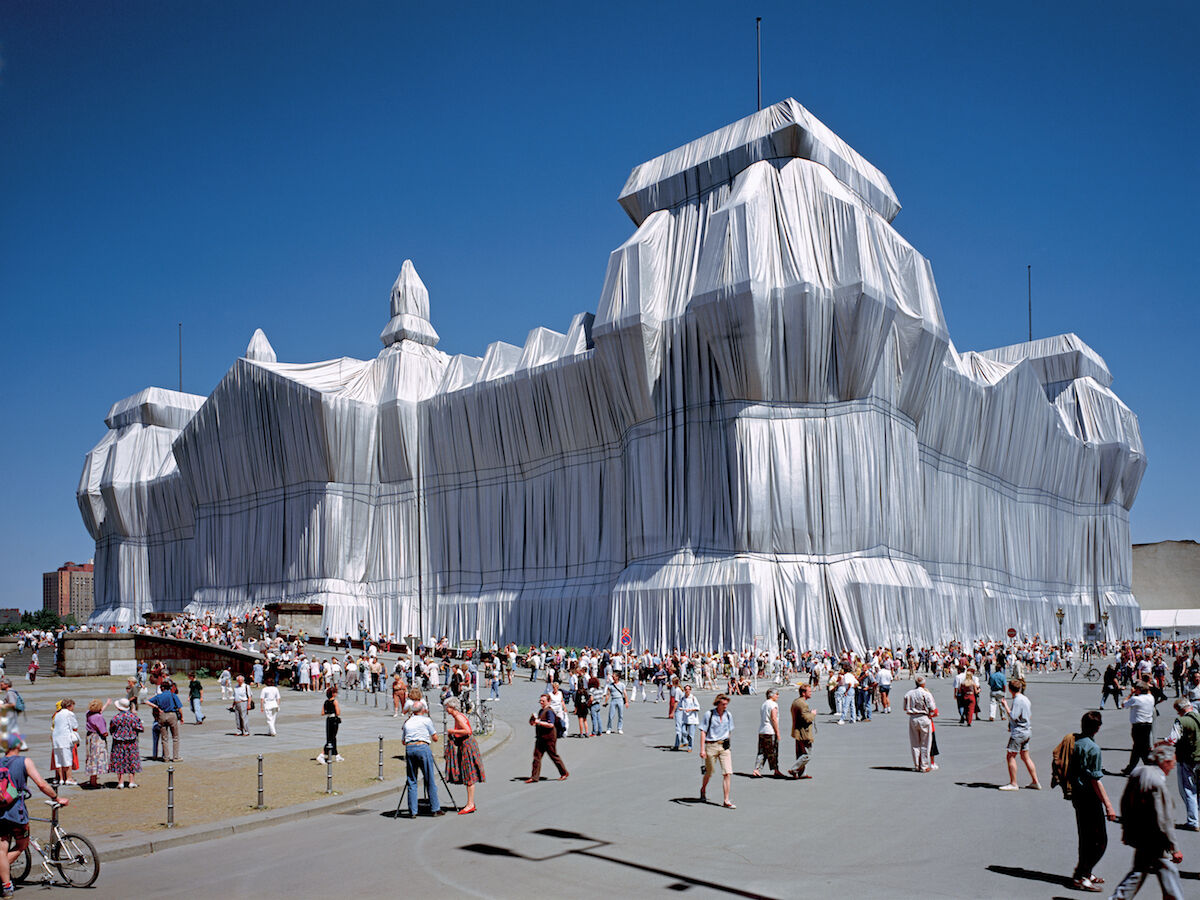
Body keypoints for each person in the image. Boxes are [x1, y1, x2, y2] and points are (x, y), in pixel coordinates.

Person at [1109, 742, 1185, 899]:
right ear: (1165, 761)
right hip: (1156, 840)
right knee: (1167, 871)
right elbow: (1164, 819)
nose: (1172, 767)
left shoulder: (1138, 772)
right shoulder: (1158, 783)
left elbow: (1125, 803)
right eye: (1172, 763)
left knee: (1139, 871)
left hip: (1141, 836)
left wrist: (1126, 830)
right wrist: (1174, 847)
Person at [0, 729, 67, 899]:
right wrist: (56, 797)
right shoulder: (24, 761)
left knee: (2, 847)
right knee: (22, 844)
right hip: (17, 811)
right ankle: (3, 872)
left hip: (0, 811)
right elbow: (42, 784)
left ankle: (7, 886)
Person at [1070, 710, 1118, 892]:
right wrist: (1109, 805)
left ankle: (1085, 872)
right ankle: (1081, 875)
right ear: (1097, 728)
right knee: (1100, 840)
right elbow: (1095, 780)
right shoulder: (1093, 748)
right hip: (1090, 797)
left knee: (1085, 837)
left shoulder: (1076, 742)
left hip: (1077, 795)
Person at [401, 700, 443, 817]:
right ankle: (435, 808)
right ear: (423, 710)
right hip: (422, 747)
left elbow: (403, 741)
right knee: (429, 778)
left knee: (411, 780)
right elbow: (435, 738)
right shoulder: (426, 720)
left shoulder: (407, 722)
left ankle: (413, 811)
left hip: (410, 748)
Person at [443, 697, 483, 815]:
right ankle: (470, 803)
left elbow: (468, 731)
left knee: (469, 774)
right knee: (468, 773)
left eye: (447, 707)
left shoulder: (459, 717)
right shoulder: (458, 716)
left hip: (467, 746)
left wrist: (453, 731)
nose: (446, 709)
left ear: (452, 707)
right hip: (465, 745)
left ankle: (470, 804)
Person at [999, 677, 1040, 790]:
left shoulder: (1017, 700)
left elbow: (1013, 716)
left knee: (1010, 756)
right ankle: (1035, 781)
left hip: (1019, 732)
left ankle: (1013, 783)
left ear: (1010, 689)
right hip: (1027, 730)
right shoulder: (1025, 699)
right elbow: (1028, 715)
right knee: (1025, 756)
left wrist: (1005, 705)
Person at [1166, 698, 1200, 831]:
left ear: (1180, 709)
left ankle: (1193, 821)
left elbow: (1172, 739)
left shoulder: (1181, 721)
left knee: (1189, 790)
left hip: (1188, 759)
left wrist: (1161, 744)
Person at [699, 693, 735, 808]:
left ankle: (726, 800)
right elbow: (703, 731)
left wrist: (728, 742)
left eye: (726, 704)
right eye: (723, 704)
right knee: (709, 772)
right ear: (718, 703)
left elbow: (729, 730)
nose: (725, 706)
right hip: (711, 746)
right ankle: (703, 789)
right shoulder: (709, 715)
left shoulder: (728, 715)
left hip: (724, 746)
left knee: (727, 773)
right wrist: (702, 750)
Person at [525, 693, 568, 783]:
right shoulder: (541, 711)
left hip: (549, 738)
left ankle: (564, 773)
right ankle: (534, 777)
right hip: (541, 737)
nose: (541, 702)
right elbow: (539, 722)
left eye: (543, 701)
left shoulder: (549, 711)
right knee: (536, 757)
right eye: (540, 701)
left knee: (553, 756)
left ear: (548, 701)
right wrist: (534, 722)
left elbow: (551, 724)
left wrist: (539, 722)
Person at [1122, 681, 1156, 776]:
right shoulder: (1151, 698)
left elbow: (1123, 704)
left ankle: (1149, 766)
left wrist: (1130, 694)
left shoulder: (1136, 699)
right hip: (1147, 725)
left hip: (1138, 726)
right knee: (1140, 747)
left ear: (1139, 690)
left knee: (1139, 748)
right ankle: (1130, 768)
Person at [107, 698, 143, 788]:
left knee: (119, 761)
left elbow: (111, 729)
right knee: (131, 760)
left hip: (118, 742)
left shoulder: (116, 718)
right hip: (132, 742)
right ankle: (131, 781)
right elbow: (140, 728)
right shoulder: (133, 717)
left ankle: (120, 782)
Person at [903, 676, 937, 772]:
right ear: (923, 683)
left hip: (913, 717)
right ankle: (924, 765)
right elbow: (932, 707)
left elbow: (905, 708)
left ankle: (917, 764)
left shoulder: (909, 693)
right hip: (924, 717)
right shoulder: (926, 693)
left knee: (914, 742)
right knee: (925, 743)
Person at [147, 681, 183, 759]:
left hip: (162, 716)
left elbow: (147, 701)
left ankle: (166, 757)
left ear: (162, 688)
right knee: (175, 737)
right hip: (172, 715)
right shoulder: (173, 695)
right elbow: (179, 707)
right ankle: (176, 757)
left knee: (164, 738)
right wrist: (182, 718)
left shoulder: (158, 696)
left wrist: (156, 707)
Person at [753, 688, 783, 777]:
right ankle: (776, 770)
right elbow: (773, 718)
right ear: (772, 695)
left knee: (762, 751)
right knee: (773, 751)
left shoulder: (764, 704)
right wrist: (777, 732)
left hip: (762, 730)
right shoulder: (773, 704)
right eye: (777, 694)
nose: (778, 696)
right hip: (770, 731)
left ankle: (757, 769)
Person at [50, 699, 80, 786]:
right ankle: (69, 778)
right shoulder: (69, 714)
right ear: (69, 706)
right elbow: (75, 725)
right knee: (67, 759)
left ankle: (61, 779)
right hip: (65, 738)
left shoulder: (57, 714)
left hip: (56, 738)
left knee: (58, 759)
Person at [789, 682, 816, 778]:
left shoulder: (796, 701)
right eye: (809, 691)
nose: (811, 693)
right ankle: (794, 769)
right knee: (807, 754)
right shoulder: (803, 704)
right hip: (803, 732)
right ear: (803, 693)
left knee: (800, 753)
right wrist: (812, 714)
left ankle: (801, 773)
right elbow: (807, 718)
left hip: (797, 731)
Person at [83, 699, 110, 789]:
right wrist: (107, 734)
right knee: (97, 757)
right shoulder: (98, 717)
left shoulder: (88, 713)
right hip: (97, 738)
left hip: (90, 737)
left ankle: (92, 779)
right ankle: (94, 781)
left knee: (91, 757)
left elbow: (99, 712)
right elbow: (103, 731)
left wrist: (107, 704)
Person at [317, 685, 343, 763]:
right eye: (335, 692)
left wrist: (328, 711)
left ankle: (337, 755)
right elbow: (338, 713)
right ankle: (322, 754)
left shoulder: (326, 702)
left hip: (328, 719)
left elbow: (322, 712)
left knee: (332, 737)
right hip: (334, 720)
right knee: (331, 738)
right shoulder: (335, 701)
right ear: (333, 694)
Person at [678, 684, 701, 752]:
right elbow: (679, 706)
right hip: (685, 718)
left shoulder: (693, 698)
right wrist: (680, 708)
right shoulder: (683, 698)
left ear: (690, 690)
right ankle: (685, 741)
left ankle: (690, 747)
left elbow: (698, 708)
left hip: (692, 719)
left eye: (688, 689)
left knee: (691, 735)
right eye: (686, 689)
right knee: (683, 731)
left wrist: (690, 710)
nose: (687, 691)